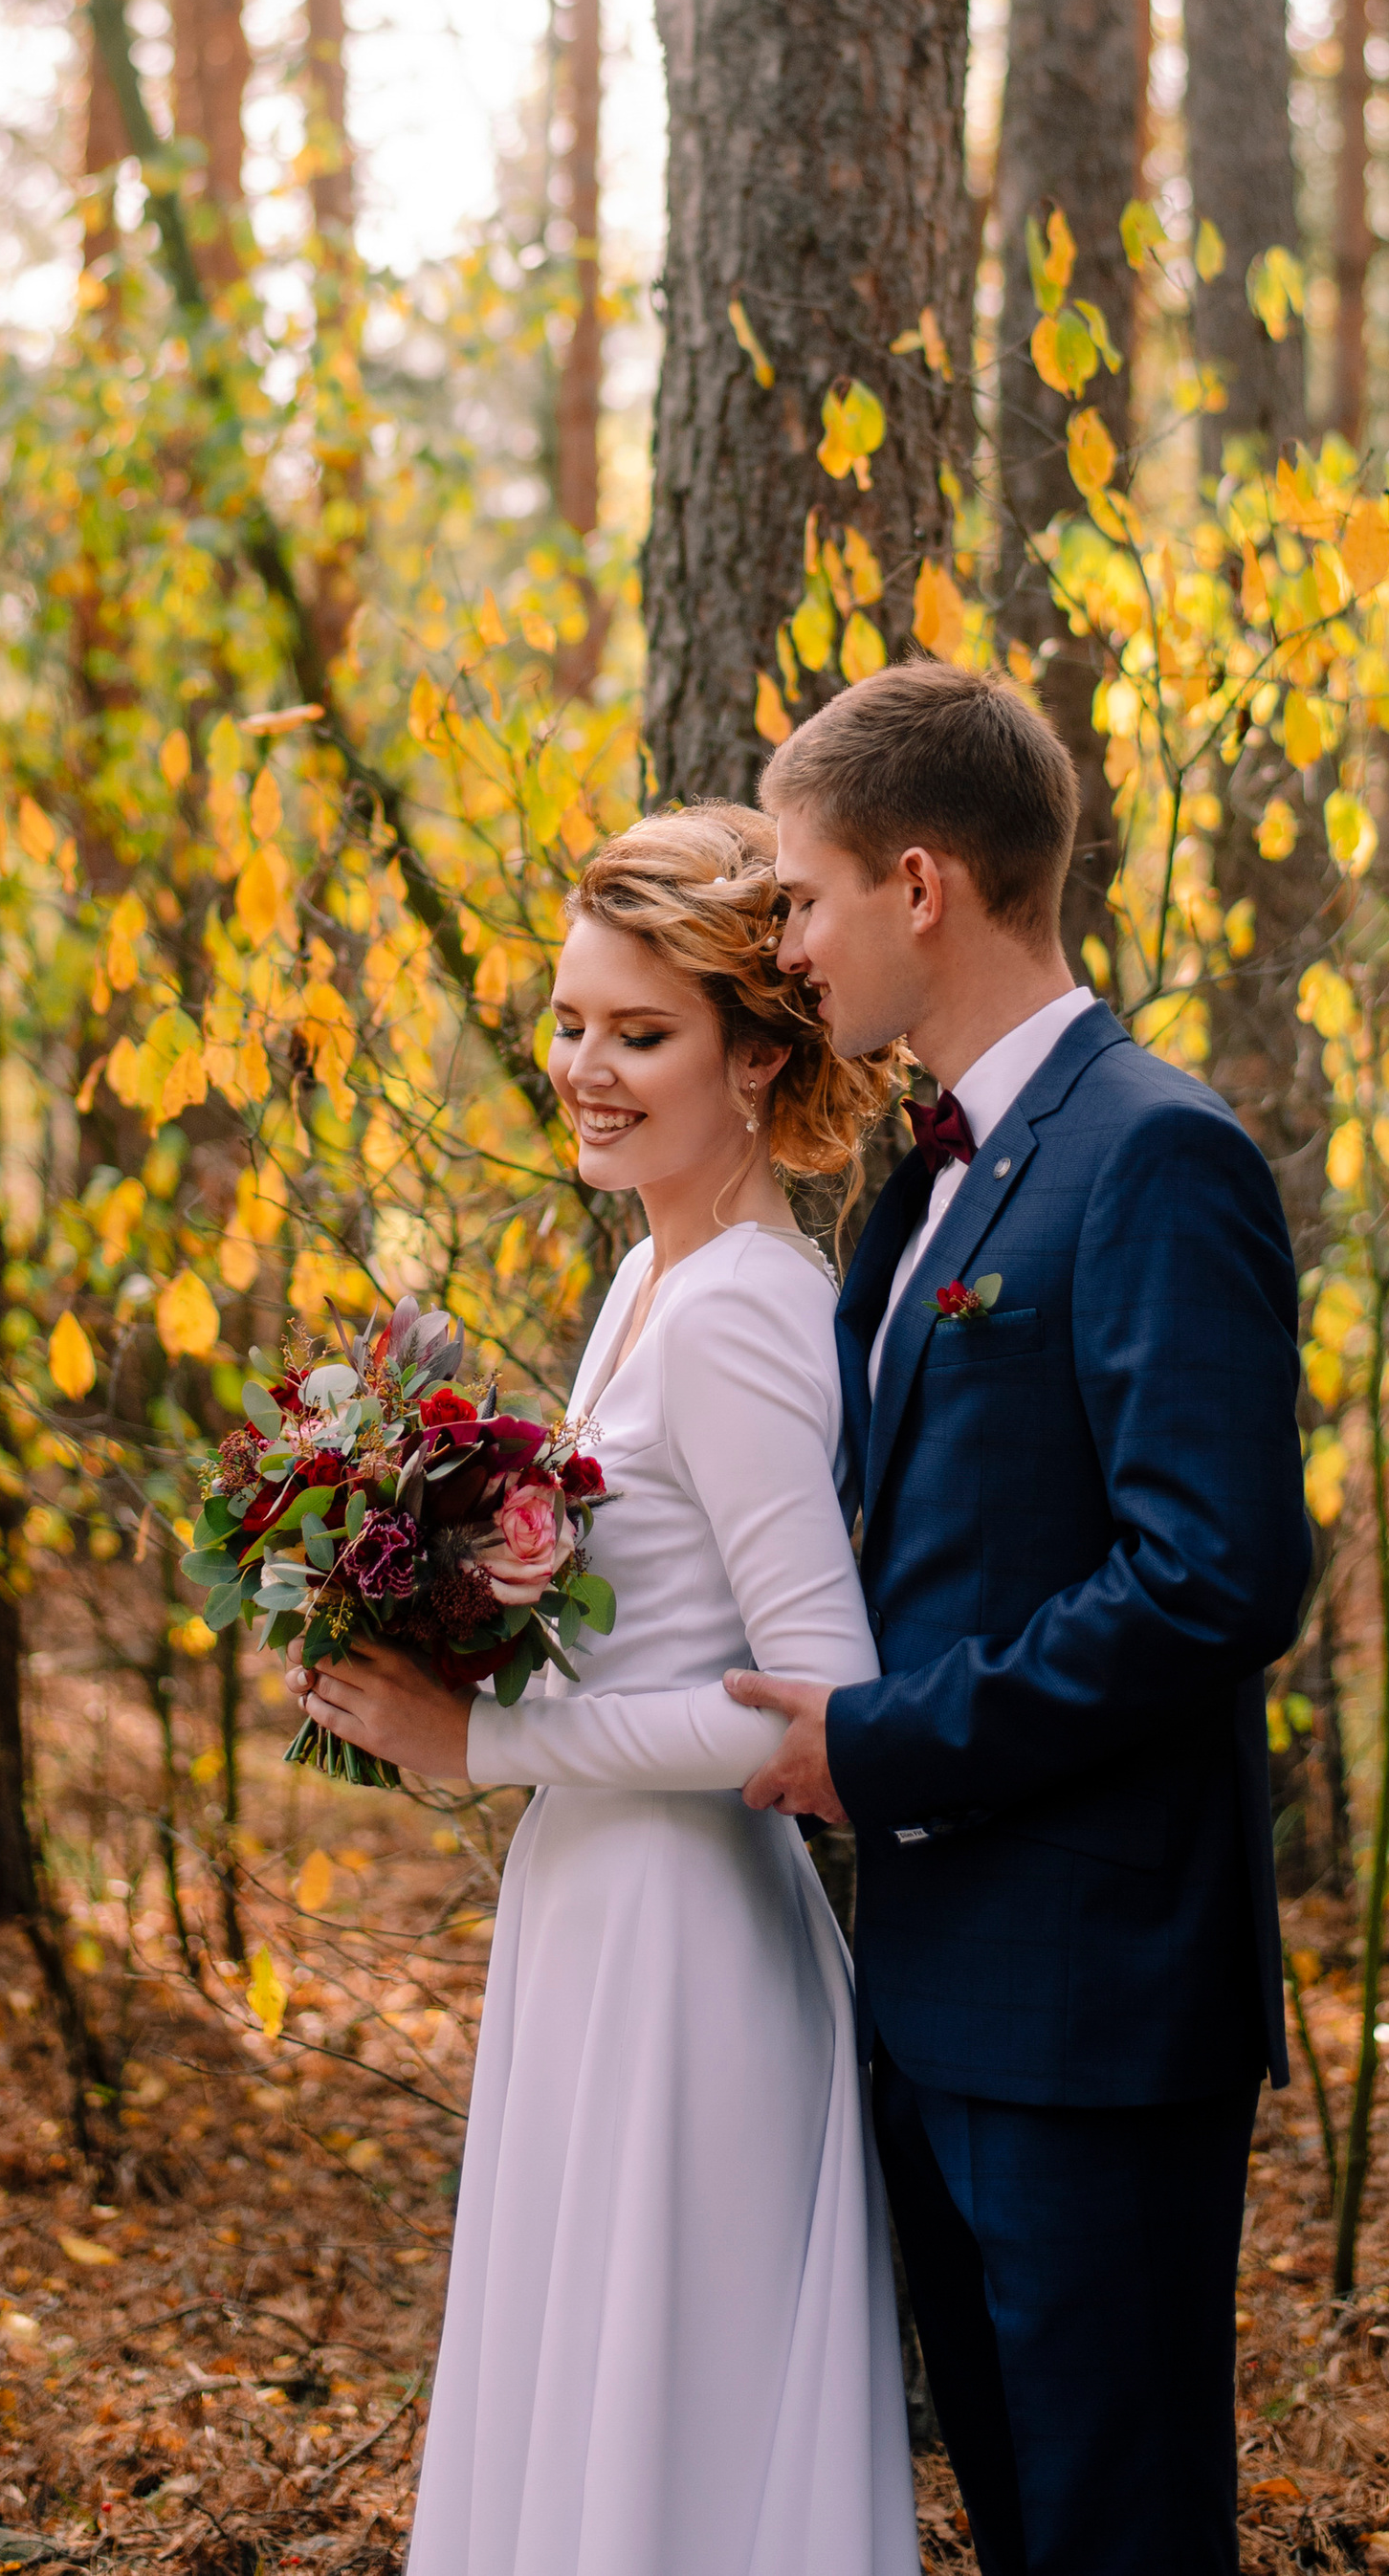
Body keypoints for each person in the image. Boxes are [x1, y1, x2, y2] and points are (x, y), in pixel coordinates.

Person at [726, 659, 1312, 2576]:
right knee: (1014, 2517)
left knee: (1116, 2531)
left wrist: (880, 1747)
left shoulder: (1150, 1152)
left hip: (1094, 2004)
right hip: (931, 1995)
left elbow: (1212, 1574)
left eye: (798, 900)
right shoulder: (915, 1197)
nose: (784, 949)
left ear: (917, 887)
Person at [297, 807, 920, 2576]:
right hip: (595, 1913)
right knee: (577, 2420)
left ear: (760, 1051)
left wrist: (484, 1736)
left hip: (690, 1957)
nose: (584, 1066)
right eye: (570, 1020)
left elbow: (815, 1702)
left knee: (671, 2445)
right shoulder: (645, 1272)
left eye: (639, 1032)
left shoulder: (737, 1308)